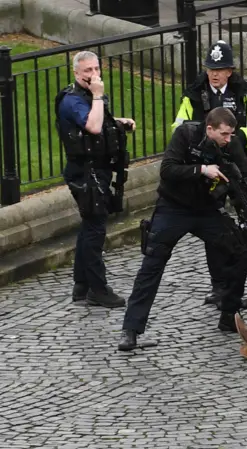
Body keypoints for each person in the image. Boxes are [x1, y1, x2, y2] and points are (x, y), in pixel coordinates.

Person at [117, 107, 247, 351]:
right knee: (152, 263)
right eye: (224, 135)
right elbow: (167, 169)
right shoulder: (185, 135)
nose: (229, 140)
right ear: (209, 129)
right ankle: (131, 330)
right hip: (173, 207)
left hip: (206, 209)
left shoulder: (231, 144)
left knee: (239, 248)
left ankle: (229, 313)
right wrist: (201, 170)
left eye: (231, 135)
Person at [172, 40, 247, 303]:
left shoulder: (242, 91)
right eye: (210, 69)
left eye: (220, 69)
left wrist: (238, 137)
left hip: (240, 167)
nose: (214, 74)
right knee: (211, 228)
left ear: (230, 71)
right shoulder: (194, 93)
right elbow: (179, 127)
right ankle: (219, 285)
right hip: (210, 171)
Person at [55, 50, 135, 308]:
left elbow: (100, 121)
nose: (93, 75)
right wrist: (99, 95)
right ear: (76, 73)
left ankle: (81, 286)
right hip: (86, 174)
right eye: (87, 71)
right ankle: (97, 290)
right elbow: (92, 126)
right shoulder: (73, 100)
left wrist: (119, 122)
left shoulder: (91, 96)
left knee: (90, 226)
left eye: (96, 69)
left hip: (96, 170)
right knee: (95, 230)